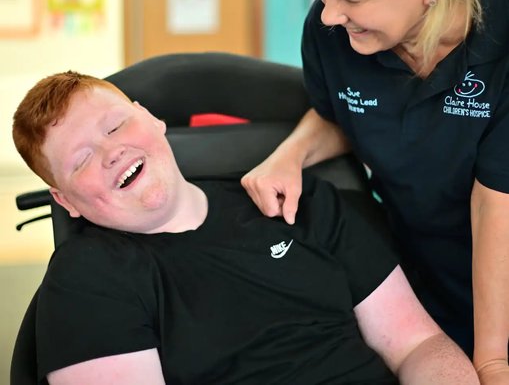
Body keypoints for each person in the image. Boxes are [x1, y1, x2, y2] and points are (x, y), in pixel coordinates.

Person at [12, 71, 480, 385]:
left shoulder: (300, 203)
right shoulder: (86, 280)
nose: (110, 152)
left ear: (152, 119)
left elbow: (419, 346)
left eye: (115, 127)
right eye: (81, 161)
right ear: (64, 201)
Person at [240, 0, 509, 383]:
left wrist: (492, 359)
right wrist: (293, 152)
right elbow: (349, 112)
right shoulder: (333, 34)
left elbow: (496, 202)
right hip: (427, 273)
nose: (328, 15)